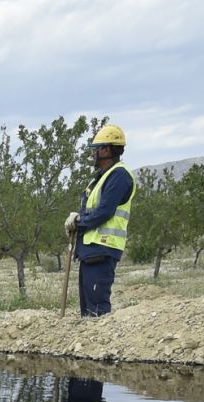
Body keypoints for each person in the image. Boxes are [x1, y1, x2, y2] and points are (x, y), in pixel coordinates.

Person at [63, 124, 135, 317]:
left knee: (97, 309)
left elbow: (105, 212)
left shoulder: (119, 175)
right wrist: (77, 218)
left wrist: (79, 223)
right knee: (87, 308)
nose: (93, 154)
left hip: (103, 247)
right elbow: (90, 209)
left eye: (96, 149)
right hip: (90, 248)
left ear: (106, 149)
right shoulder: (99, 178)